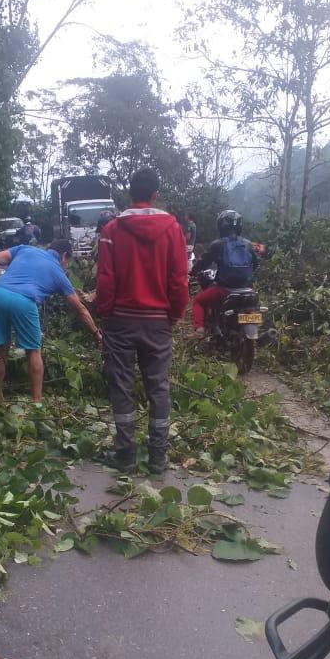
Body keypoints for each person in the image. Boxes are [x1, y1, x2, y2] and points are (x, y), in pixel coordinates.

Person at [95, 167, 189, 474]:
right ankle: (158, 458)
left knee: (121, 387)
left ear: (129, 193)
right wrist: (174, 314)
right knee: (158, 387)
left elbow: (106, 280)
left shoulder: (112, 230)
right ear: (154, 195)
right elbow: (178, 278)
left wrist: (105, 312)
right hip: (157, 321)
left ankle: (125, 455)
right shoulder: (173, 228)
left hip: (120, 321)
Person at [0, 239, 102, 403]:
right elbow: (81, 309)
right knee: (33, 351)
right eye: (67, 262)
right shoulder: (58, 273)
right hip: (23, 302)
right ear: (64, 256)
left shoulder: (25, 249)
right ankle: (37, 403)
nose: (66, 266)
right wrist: (96, 333)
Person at [189, 210, 260, 337]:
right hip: (247, 289)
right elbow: (255, 264)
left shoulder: (218, 244)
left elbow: (203, 262)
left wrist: (193, 271)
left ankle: (198, 330)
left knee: (198, 301)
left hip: (224, 290)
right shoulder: (248, 244)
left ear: (221, 225)